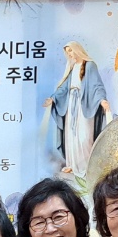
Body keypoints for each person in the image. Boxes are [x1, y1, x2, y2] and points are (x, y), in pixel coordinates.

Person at [44, 42, 109, 175]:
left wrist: (102, 100)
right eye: (67, 51)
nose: (69, 54)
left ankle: (87, 165)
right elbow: (64, 88)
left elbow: (97, 85)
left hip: (84, 104)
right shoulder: (72, 67)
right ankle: (72, 165)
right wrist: (53, 98)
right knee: (71, 136)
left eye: (71, 50)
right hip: (71, 105)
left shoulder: (90, 65)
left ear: (77, 50)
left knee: (85, 136)